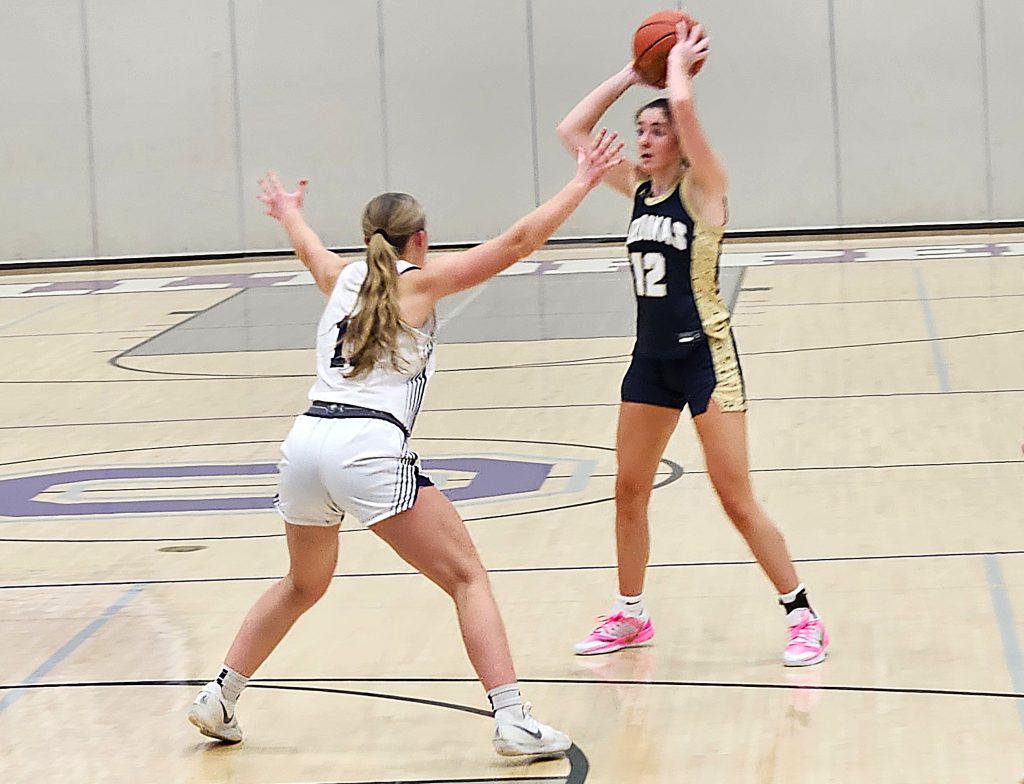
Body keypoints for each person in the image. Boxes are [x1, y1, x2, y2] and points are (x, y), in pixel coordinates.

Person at [187, 131, 625, 755]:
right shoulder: (418, 282)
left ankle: (219, 693)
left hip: (304, 445)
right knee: (468, 577)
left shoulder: (343, 277)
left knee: (302, 584)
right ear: (419, 238)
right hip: (366, 447)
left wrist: (290, 215)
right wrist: (582, 181)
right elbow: (519, 241)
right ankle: (512, 719)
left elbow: (312, 254)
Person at [556, 22, 828, 666]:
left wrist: (675, 66)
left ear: (682, 144)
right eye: (640, 131)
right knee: (628, 489)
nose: (643, 140)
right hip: (650, 361)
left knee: (734, 496)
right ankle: (630, 614)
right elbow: (572, 130)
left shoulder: (704, 188)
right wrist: (633, 70)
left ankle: (801, 613)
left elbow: (682, 103)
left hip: (706, 358)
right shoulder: (637, 189)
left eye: (655, 133)